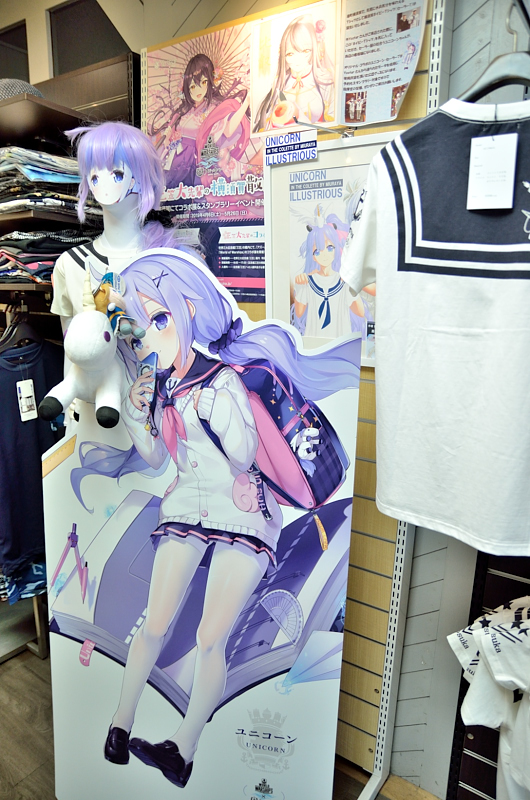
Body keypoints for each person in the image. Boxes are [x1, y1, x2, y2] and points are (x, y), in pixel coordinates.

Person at [89, 250, 360, 787]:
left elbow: (241, 453)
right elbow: (159, 459)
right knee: (154, 623)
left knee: (211, 637)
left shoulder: (226, 379)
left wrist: (212, 405)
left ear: (186, 311)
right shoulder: (163, 387)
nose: (151, 338)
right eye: (140, 330)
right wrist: (140, 417)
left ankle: (183, 750)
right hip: (188, 507)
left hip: (245, 515)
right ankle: (120, 725)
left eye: (160, 320)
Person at [51, 121, 184, 327]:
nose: (104, 184)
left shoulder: (174, 260)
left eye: (118, 174)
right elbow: (72, 344)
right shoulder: (70, 264)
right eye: (95, 176)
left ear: (144, 178)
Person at [159, 53, 251, 189]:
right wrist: (168, 135)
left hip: (201, 162)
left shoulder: (214, 108)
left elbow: (227, 131)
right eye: (192, 86)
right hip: (178, 163)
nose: (198, 90)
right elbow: (167, 143)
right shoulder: (181, 113)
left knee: (198, 195)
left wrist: (245, 104)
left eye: (203, 82)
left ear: (210, 81)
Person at [292, 208, 371, 338]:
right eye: (318, 251)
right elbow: (299, 313)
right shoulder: (308, 281)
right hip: (315, 343)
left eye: (329, 248)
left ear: (336, 249)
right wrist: (300, 287)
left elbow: (360, 312)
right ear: (313, 256)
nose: (324, 255)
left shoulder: (343, 280)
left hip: (340, 343)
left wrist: (352, 285)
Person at [253, 15, 334, 132]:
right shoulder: (280, 82)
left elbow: (334, 126)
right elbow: (267, 125)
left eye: (305, 51)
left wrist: (302, 122)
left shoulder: (325, 79)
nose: (297, 60)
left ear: (315, 49)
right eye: (290, 54)